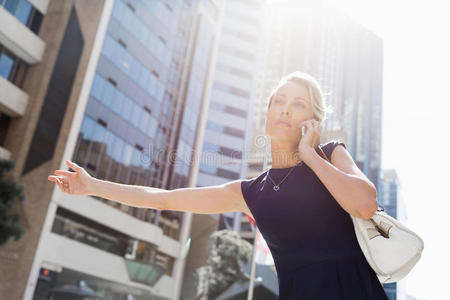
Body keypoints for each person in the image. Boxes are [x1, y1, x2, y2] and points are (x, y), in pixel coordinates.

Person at [48, 71, 388, 299]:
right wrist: (92, 186)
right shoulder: (250, 192)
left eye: (298, 104)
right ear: (267, 114)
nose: (285, 109)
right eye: (279, 101)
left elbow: (364, 204)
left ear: (313, 119)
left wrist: (309, 155)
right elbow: (164, 199)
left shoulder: (331, 156)